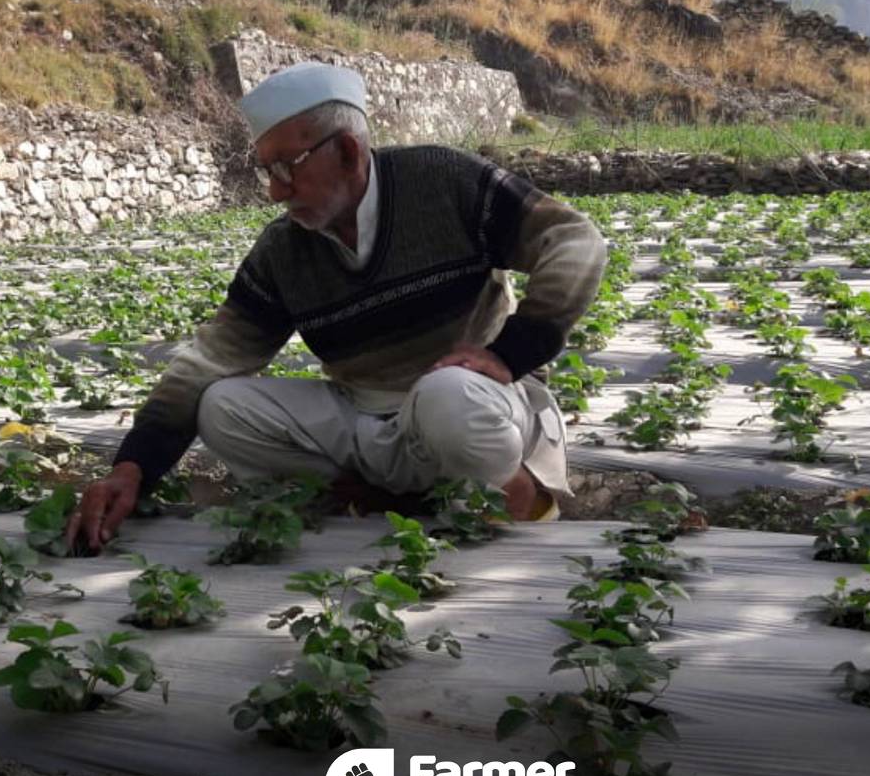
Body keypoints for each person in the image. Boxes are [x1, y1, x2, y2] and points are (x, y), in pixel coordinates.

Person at [66, 61, 607, 553]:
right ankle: (385, 498)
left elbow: (575, 241)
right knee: (223, 406)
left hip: (473, 402)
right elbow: (212, 359)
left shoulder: (444, 181)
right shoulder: (284, 252)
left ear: (348, 151)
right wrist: (134, 466)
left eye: (287, 167)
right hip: (365, 416)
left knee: (448, 396)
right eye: (266, 172)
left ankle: (516, 493)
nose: (276, 193)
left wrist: (511, 351)